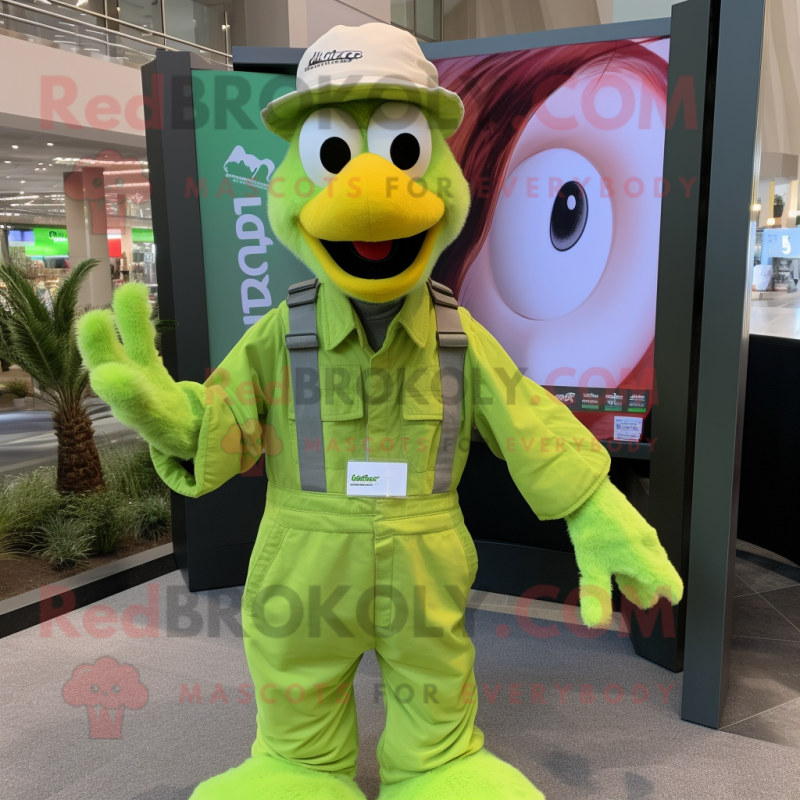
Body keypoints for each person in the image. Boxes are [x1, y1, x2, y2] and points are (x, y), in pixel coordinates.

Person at [77, 23, 682, 800]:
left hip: (425, 560)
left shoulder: (461, 336)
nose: (367, 194)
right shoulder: (281, 331)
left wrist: (597, 507)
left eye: (403, 152)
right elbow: (224, 419)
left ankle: (437, 763)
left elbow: (535, 425)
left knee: (436, 685)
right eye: (334, 157)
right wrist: (178, 421)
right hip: (303, 556)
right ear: (300, 173)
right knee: (296, 686)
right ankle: (298, 765)